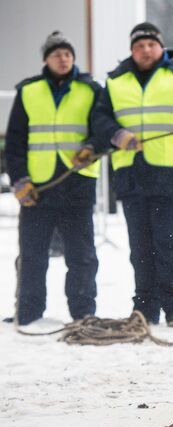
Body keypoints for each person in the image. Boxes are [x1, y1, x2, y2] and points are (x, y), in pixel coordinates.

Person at [91, 22, 173, 327]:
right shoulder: (116, 80)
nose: (146, 50)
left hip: (172, 171)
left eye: (151, 44)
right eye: (139, 46)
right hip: (132, 174)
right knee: (141, 247)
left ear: (160, 46)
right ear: (132, 50)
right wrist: (115, 134)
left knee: (172, 243)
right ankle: (146, 308)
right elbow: (99, 117)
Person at [4, 31, 104, 325]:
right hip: (38, 187)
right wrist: (20, 180)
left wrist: (91, 148)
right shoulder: (29, 91)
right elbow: (15, 141)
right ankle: (28, 311)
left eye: (68, 54)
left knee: (81, 254)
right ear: (46, 60)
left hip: (77, 182)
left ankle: (83, 312)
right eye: (57, 54)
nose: (64, 59)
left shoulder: (91, 90)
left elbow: (102, 129)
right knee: (32, 253)